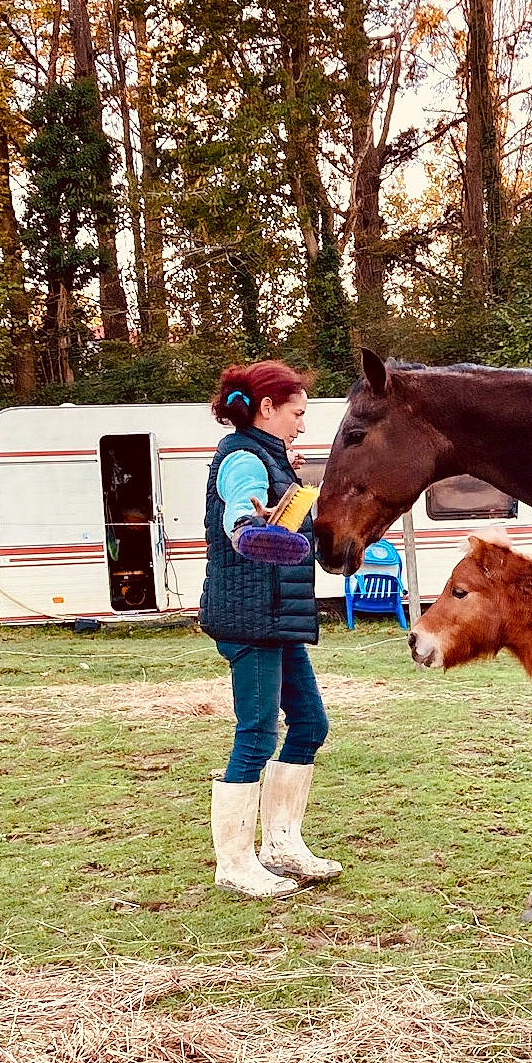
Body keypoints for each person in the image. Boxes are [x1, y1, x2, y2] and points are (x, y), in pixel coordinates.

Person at [199, 359, 341, 897]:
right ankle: (234, 864)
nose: (303, 424)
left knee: (309, 725)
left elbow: (275, 510)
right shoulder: (242, 459)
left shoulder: (267, 456)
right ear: (267, 408)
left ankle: (282, 845)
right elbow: (241, 515)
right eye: (297, 414)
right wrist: (250, 530)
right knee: (257, 733)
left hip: (274, 615)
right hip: (250, 616)